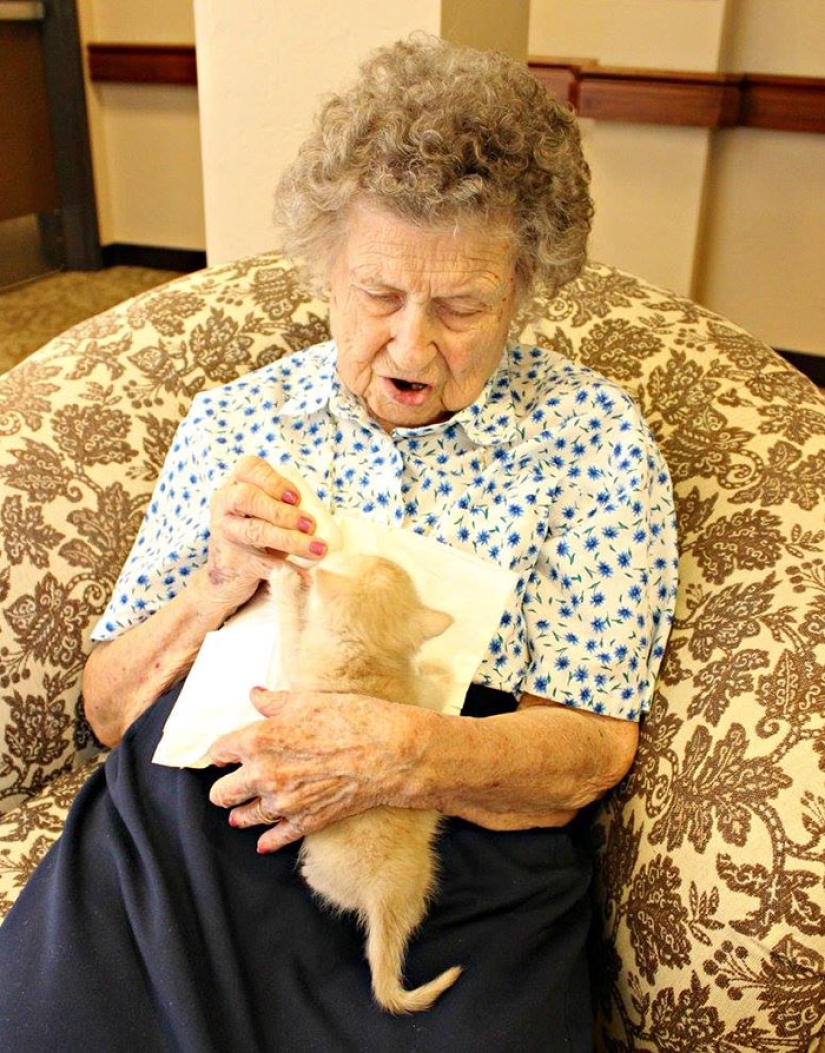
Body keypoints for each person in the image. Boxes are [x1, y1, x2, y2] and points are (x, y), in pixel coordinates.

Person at [0, 36, 677, 1052]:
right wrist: (216, 587)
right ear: (326, 266)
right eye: (378, 295)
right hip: (196, 826)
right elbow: (108, 709)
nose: (412, 346)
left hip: (444, 853)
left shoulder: (594, 442)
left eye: (461, 307)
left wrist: (406, 755)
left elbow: (591, 748)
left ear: (527, 287)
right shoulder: (238, 421)